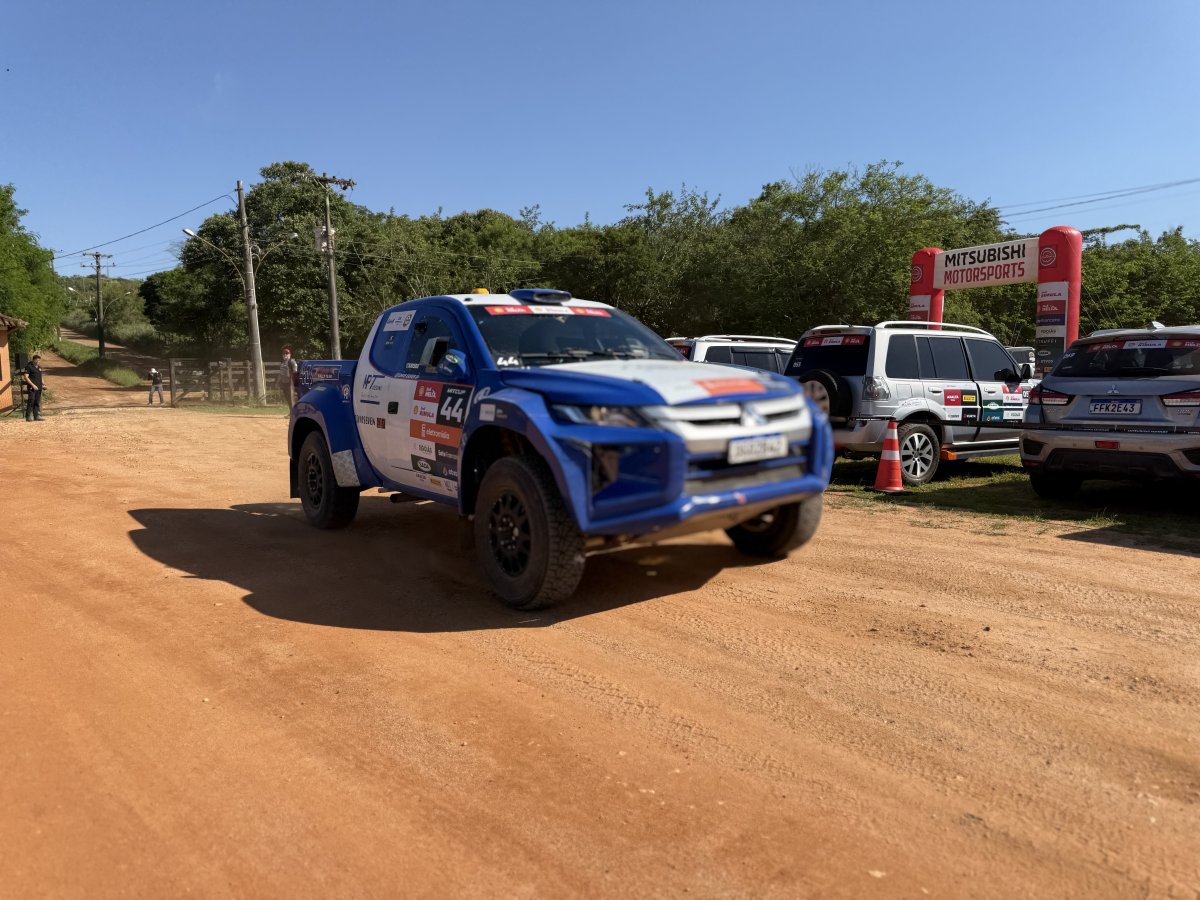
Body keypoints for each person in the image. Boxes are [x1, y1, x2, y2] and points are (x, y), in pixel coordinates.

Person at [22, 353, 45, 421]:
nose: (38, 361)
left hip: (39, 387)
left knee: (37, 401)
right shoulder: (29, 367)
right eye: (37, 360)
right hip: (32, 387)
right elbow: (26, 377)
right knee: (31, 401)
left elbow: (41, 377)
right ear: (33, 360)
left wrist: (43, 384)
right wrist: (33, 385)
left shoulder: (39, 368)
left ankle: (36, 415)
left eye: (39, 360)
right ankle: (29, 416)